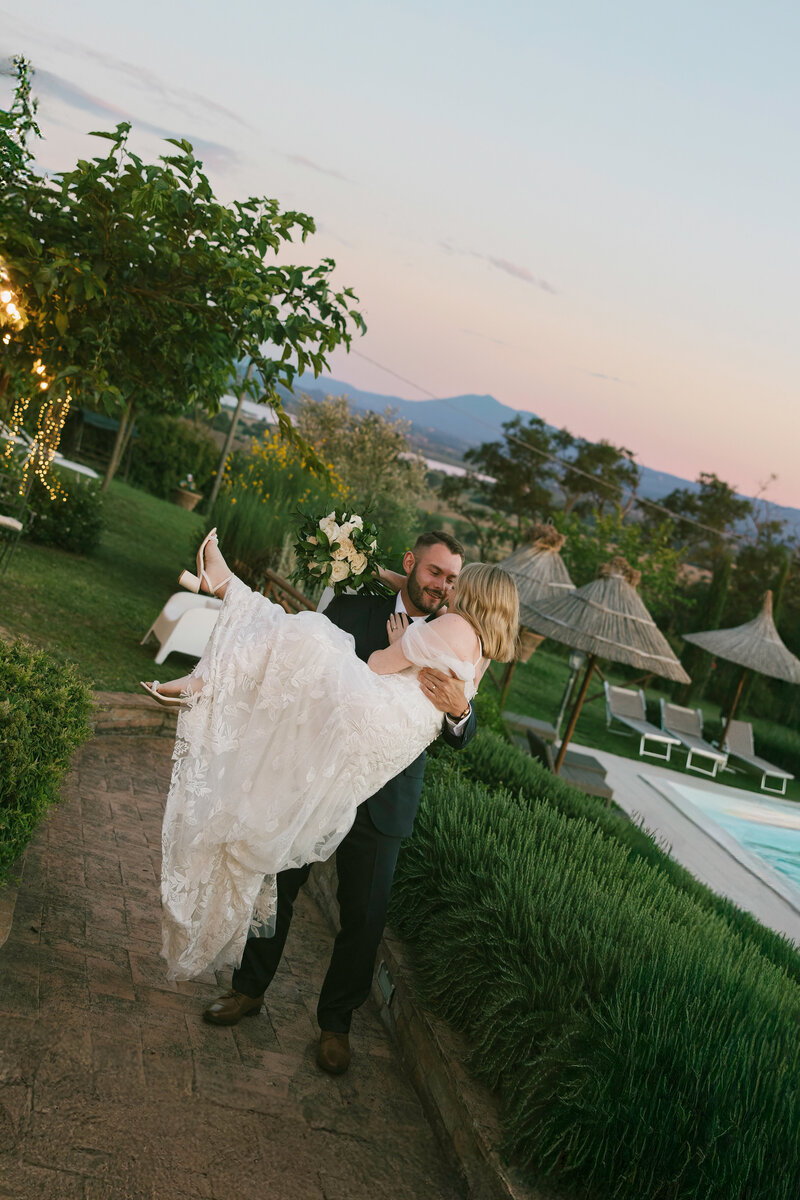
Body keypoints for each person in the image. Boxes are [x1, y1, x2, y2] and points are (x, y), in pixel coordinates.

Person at [144, 529, 519, 1075]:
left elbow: (460, 730)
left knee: (364, 919)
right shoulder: (355, 606)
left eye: (454, 579)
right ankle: (249, 991)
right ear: (412, 565)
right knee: (278, 877)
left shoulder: (454, 629)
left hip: (384, 797)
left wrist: (460, 709)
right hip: (315, 774)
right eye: (435, 573)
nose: (443, 586)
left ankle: (335, 1026)